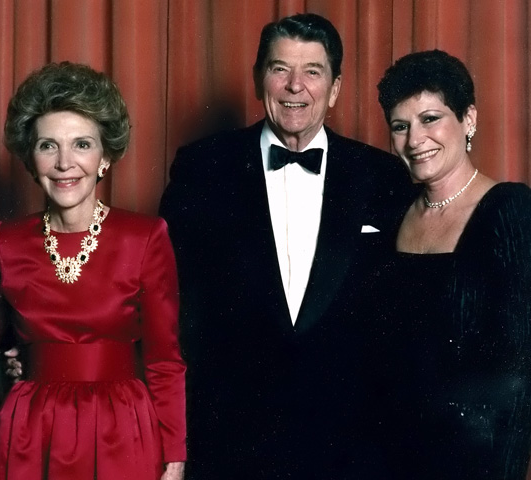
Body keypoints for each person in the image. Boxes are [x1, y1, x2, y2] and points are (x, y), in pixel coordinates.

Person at [158, 13, 414, 479]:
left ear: (335, 88)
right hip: (230, 441)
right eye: (280, 69)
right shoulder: (202, 168)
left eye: (312, 72)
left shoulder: (382, 176)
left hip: (348, 446)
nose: (295, 86)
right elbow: (166, 297)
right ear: (259, 80)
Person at [0, 62, 186, 480]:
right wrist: (10, 363)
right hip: (30, 433)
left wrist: (174, 458)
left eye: (81, 144)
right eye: (47, 146)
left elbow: (164, 360)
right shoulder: (5, 239)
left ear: (105, 156)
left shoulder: (145, 237)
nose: (64, 163)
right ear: (30, 156)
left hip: (123, 429)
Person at [367, 49, 531, 479]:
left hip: (472, 465)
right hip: (388, 459)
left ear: (469, 119)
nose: (414, 140)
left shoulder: (510, 210)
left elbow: (518, 377)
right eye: (400, 127)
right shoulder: (393, 213)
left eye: (430, 119)